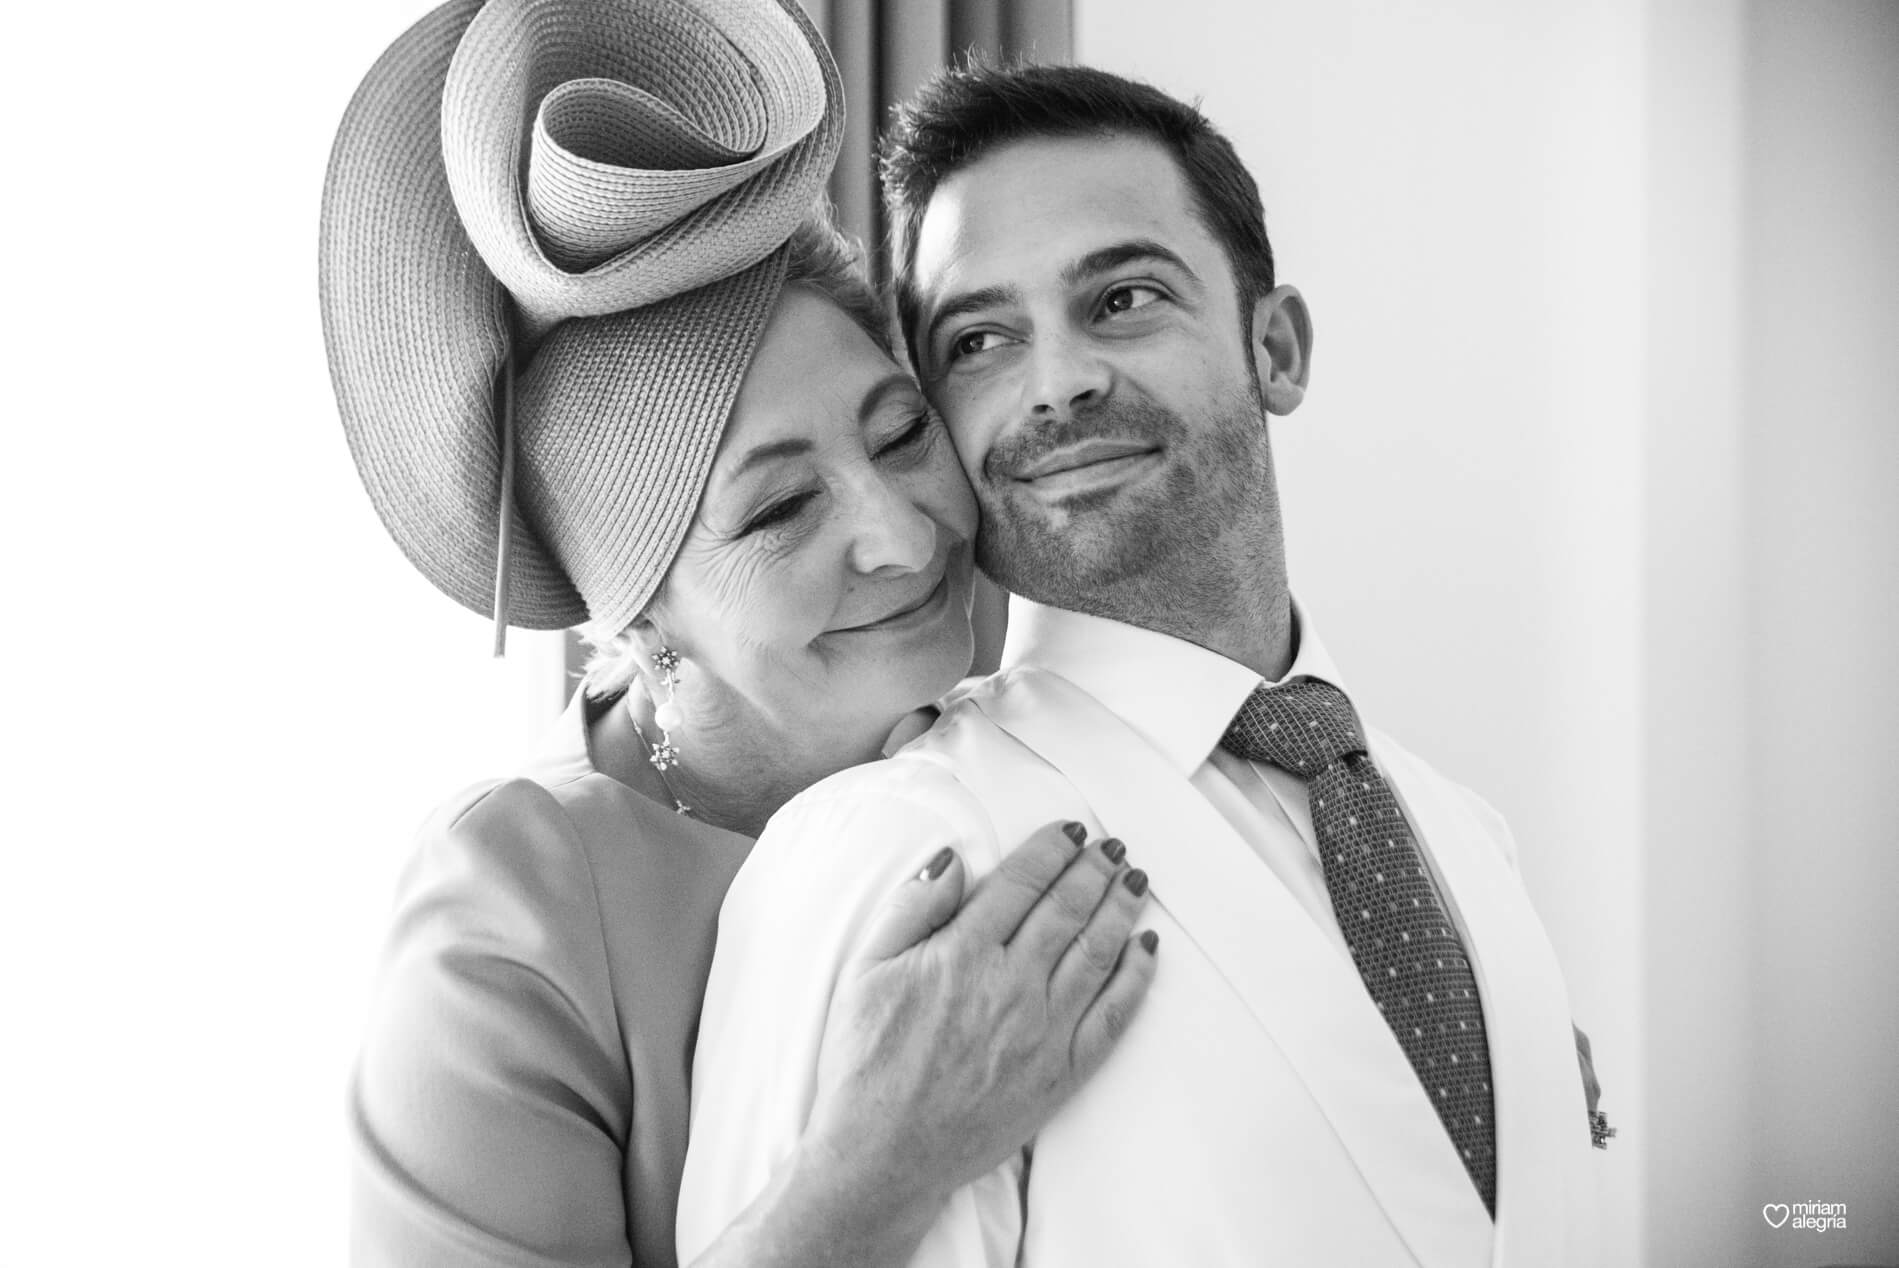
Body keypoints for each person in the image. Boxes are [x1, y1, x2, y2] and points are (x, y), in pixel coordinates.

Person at [677, 63, 1604, 1266]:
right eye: (982, 338)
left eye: (1120, 298)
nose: (1057, 381)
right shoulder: (898, 847)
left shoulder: (1469, 841)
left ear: (1275, 348)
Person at [321, 5, 1160, 1265]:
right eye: (778, 506)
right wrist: (884, 1156)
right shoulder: (514, 901)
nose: (905, 532)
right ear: (644, 617)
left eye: (896, 434)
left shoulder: (1027, 745)